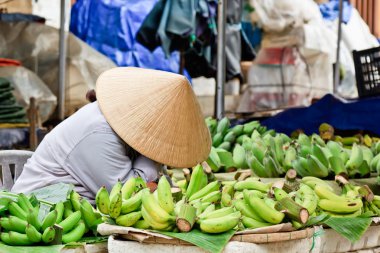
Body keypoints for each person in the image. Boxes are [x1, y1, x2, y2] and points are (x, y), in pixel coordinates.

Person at [11, 67, 211, 201]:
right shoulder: (100, 132)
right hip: (42, 211)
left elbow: (159, 184)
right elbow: (128, 194)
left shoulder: (127, 129)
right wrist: (154, 152)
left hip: (85, 206)